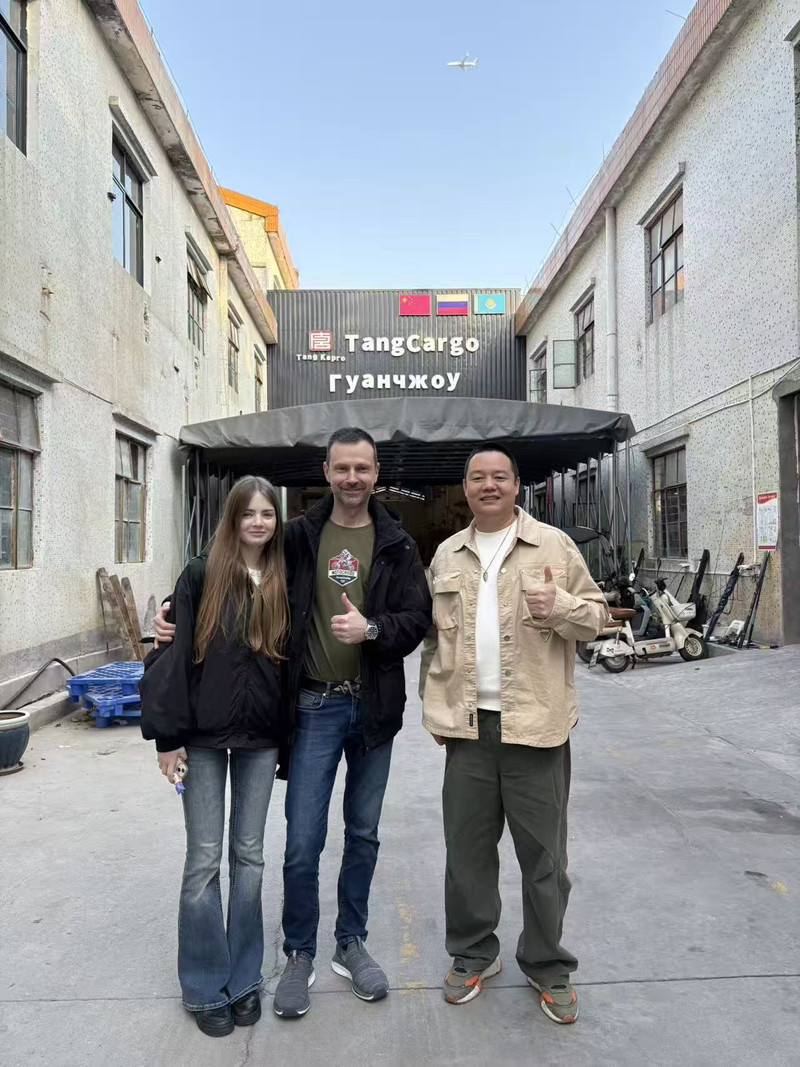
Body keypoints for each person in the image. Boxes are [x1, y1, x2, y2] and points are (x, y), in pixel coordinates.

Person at [155, 427, 432, 1019]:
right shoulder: (299, 537)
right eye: (342, 468)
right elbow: (231, 576)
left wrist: (372, 629)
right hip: (312, 707)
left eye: (363, 468)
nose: (352, 478)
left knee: (361, 834)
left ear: (376, 472)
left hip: (373, 708)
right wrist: (169, 623)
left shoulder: (398, 544)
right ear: (326, 472)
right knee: (301, 841)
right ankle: (298, 950)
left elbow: (417, 619)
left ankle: (349, 942)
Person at [419, 443, 606, 1025]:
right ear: (466, 489)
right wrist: (435, 709)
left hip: (537, 729)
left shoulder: (554, 545)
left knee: (544, 859)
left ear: (516, 485)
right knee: (466, 854)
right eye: (478, 477)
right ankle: (474, 953)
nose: (489, 485)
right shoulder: (447, 554)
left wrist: (562, 606)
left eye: (499, 476)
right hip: (469, 731)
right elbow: (433, 641)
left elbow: (597, 618)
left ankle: (547, 964)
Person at [140, 476, 290, 1038]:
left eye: (267, 514)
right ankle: (204, 984)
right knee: (203, 859)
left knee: (249, 857)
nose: (258, 523)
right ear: (231, 519)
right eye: (248, 513)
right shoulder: (201, 575)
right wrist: (167, 738)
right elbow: (171, 657)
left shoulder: (284, 576)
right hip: (202, 737)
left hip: (260, 738)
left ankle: (244, 977)